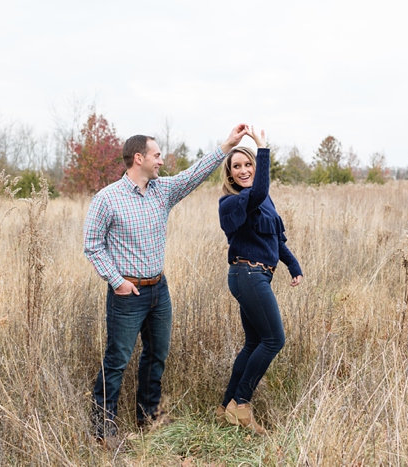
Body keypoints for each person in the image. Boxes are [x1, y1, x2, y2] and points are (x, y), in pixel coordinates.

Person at [84, 123, 249, 442]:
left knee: (156, 354)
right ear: (138, 158)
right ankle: (103, 427)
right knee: (117, 360)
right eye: (156, 155)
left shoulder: (163, 190)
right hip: (127, 293)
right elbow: (92, 244)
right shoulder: (107, 199)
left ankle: (148, 417)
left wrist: (226, 145)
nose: (161, 161)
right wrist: (116, 281)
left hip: (159, 290)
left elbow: (194, 174)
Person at [216, 127, 303, 435]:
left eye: (248, 164)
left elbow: (276, 240)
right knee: (273, 340)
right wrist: (262, 147)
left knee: (254, 342)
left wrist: (293, 266)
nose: (243, 170)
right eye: (236, 166)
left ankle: (225, 405)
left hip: (257, 275)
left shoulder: (264, 202)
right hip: (247, 274)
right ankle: (242, 403)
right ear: (229, 173)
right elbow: (260, 190)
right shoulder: (233, 202)